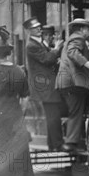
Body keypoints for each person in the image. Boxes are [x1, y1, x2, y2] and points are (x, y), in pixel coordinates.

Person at [0, 26, 37, 176]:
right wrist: (20, 113)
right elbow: (25, 97)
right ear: (8, 53)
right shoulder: (19, 71)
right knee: (19, 154)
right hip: (15, 113)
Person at [55, 18, 89, 151]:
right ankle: (71, 142)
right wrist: (87, 63)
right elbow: (72, 52)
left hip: (67, 82)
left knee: (75, 110)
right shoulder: (78, 38)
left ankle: (75, 140)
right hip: (73, 82)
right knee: (76, 111)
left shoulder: (72, 38)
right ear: (81, 29)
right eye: (88, 29)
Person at [24, 18, 64, 151]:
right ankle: (57, 144)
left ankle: (53, 144)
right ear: (29, 31)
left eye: (39, 27)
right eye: (35, 28)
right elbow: (47, 59)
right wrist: (57, 48)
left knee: (52, 114)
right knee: (54, 114)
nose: (39, 29)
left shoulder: (38, 43)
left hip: (46, 84)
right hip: (45, 86)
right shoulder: (32, 45)